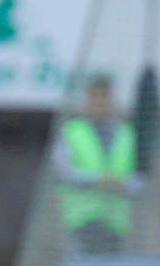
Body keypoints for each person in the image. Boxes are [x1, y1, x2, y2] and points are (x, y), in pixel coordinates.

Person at [56, 73, 141, 255]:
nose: (100, 103)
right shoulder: (72, 131)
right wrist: (97, 180)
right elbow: (63, 173)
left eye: (105, 97)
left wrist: (122, 184)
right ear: (86, 100)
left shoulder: (127, 134)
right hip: (82, 221)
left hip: (116, 223)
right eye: (95, 97)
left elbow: (139, 179)